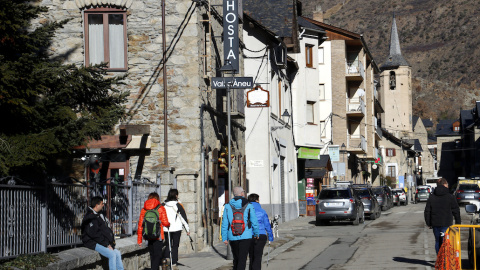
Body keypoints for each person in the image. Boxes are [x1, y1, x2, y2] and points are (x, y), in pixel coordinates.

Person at [81, 196, 124, 270]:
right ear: (97, 205)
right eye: (102, 204)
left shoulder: (99, 215)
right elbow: (95, 234)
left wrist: (109, 243)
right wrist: (106, 244)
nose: (103, 205)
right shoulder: (90, 217)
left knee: (117, 253)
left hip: (102, 242)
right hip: (93, 242)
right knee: (112, 254)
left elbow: (104, 230)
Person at [221, 186, 259, 270]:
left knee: (236, 259)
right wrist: (256, 233)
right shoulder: (249, 205)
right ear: (242, 193)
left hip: (232, 236)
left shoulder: (227, 206)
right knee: (242, 259)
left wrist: (224, 237)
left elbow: (224, 223)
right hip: (246, 236)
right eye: (244, 192)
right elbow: (254, 221)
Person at [424, 178, 461, 254]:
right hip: (446, 223)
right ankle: (445, 260)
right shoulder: (450, 197)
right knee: (446, 241)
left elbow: (427, 211)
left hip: (435, 223)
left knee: (438, 241)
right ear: (444, 185)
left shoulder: (432, 197)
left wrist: (429, 223)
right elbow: (456, 210)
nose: (448, 186)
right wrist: (458, 222)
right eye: (447, 184)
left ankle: (439, 260)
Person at [137, 192, 170, 270]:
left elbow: (140, 225)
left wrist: (139, 240)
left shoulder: (144, 209)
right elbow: (165, 222)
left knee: (152, 255)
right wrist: (168, 224)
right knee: (157, 255)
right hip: (158, 236)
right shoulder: (161, 208)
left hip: (148, 235)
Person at [162, 189, 190, 270]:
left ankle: (167, 259)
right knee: (175, 245)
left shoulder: (163, 204)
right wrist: (187, 229)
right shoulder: (178, 205)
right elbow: (183, 218)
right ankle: (174, 263)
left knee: (168, 244)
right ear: (176, 195)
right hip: (177, 228)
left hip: (166, 228)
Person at [247, 193, 274, 270]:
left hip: (249, 236)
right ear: (257, 200)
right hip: (261, 235)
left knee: (251, 256)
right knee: (258, 257)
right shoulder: (262, 211)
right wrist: (270, 237)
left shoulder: (246, 210)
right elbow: (267, 225)